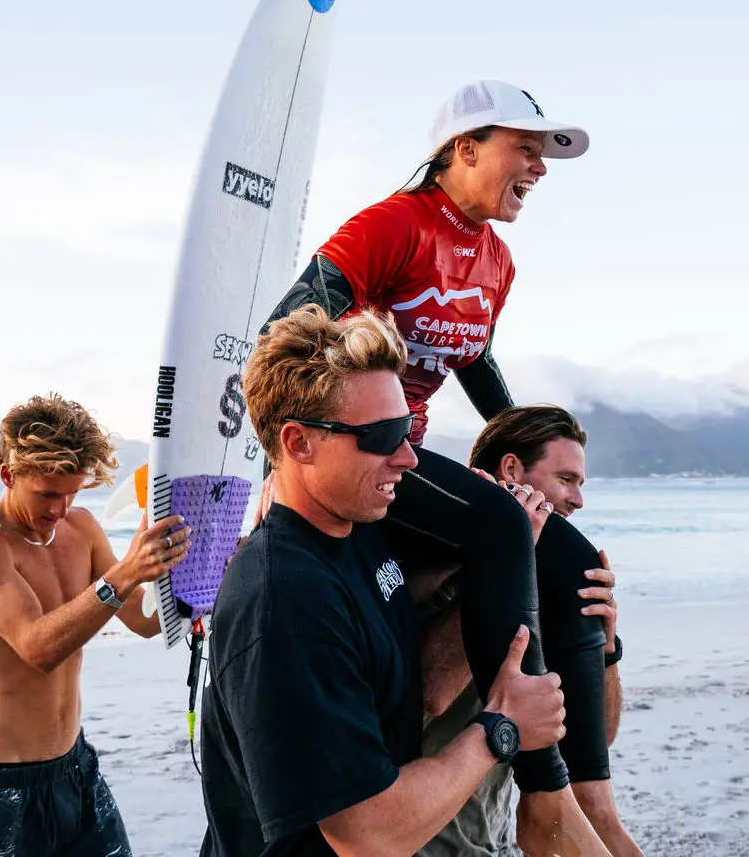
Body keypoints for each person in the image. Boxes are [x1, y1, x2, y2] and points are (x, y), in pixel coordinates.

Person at [262, 80, 616, 855]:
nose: (540, 168)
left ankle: (588, 798)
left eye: (545, 154)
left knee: (572, 559)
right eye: (526, 149)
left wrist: (518, 445)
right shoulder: (394, 226)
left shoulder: (497, 262)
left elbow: (474, 359)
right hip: (366, 447)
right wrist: (289, 457)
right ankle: (544, 790)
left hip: (412, 456)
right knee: (501, 525)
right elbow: (285, 327)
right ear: (464, 149)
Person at [199, 306, 572, 856]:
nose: (408, 457)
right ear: (299, 443)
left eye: (408, 430)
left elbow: (405, 679)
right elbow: (367, 835)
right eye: (383, 436)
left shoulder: (358, 532)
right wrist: (502, 728)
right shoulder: (283, 600)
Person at [0, 393, 192, 857]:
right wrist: (125, 574)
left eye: (73, 493)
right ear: (8, 475)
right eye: (47, 494)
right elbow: (38, 648)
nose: (60, 509)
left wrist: (193, 569)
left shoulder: (81, 530)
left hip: (75, 770)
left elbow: (145, 621)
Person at [417, 405, 643, 857]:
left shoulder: (546, 582)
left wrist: (606, 649)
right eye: (566, 480)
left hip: (494, 839)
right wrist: (504, 565)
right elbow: (430, 693)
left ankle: (592, 815)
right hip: (425, 841)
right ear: (511, 470)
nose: (578, 500)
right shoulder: (436, 562)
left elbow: (596, 738)